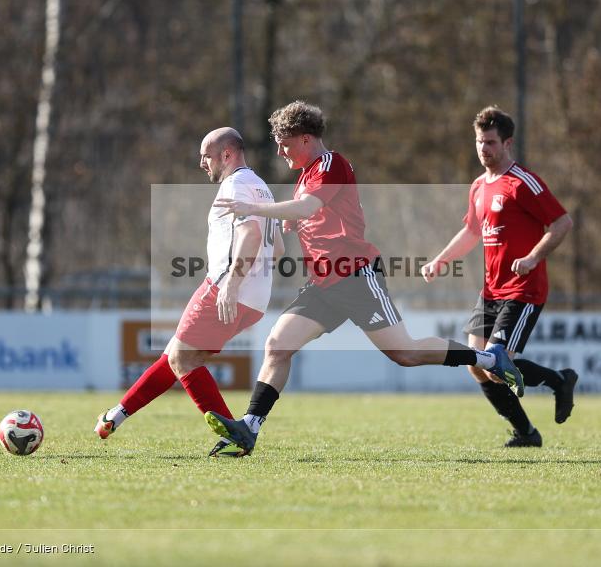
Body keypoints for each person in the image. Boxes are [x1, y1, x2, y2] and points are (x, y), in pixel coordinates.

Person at [204, 100, 523, 456]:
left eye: (285, 143)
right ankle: (249, 427)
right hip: (323, 284)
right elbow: (310, 212)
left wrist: (255, 208)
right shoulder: (307, 175)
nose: (279, 151)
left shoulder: (331, 164)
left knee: (405, 353)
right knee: (278, 345)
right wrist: (290, 223)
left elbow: (310, 207)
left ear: (306, 139)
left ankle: (491, 359)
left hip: (356, 277)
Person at [93, 127, 284, 457]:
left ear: (226, 154)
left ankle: (238, 437)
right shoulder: (261, 187)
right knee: (176, 356)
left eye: (206, 155)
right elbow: (277, 247)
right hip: (255, 298)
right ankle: (116, 416)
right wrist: (250, 282)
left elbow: (251, 235)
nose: (201, 163)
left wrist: (232, 284)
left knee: (182, 359)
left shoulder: (235, 185)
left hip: (225, 286)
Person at [421, 106, 577, 447]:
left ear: (508, 143)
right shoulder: (478, 186)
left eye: (490, 142)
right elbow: (471, 232)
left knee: (493, 363)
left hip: (523, 288)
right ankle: (527, 433)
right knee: (476, 365)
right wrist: (440, 261)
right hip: (491, 290)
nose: (483, 149)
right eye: (479, 141)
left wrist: (534, 256)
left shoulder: (523, 182)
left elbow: (562, 222)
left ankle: (559, 380)